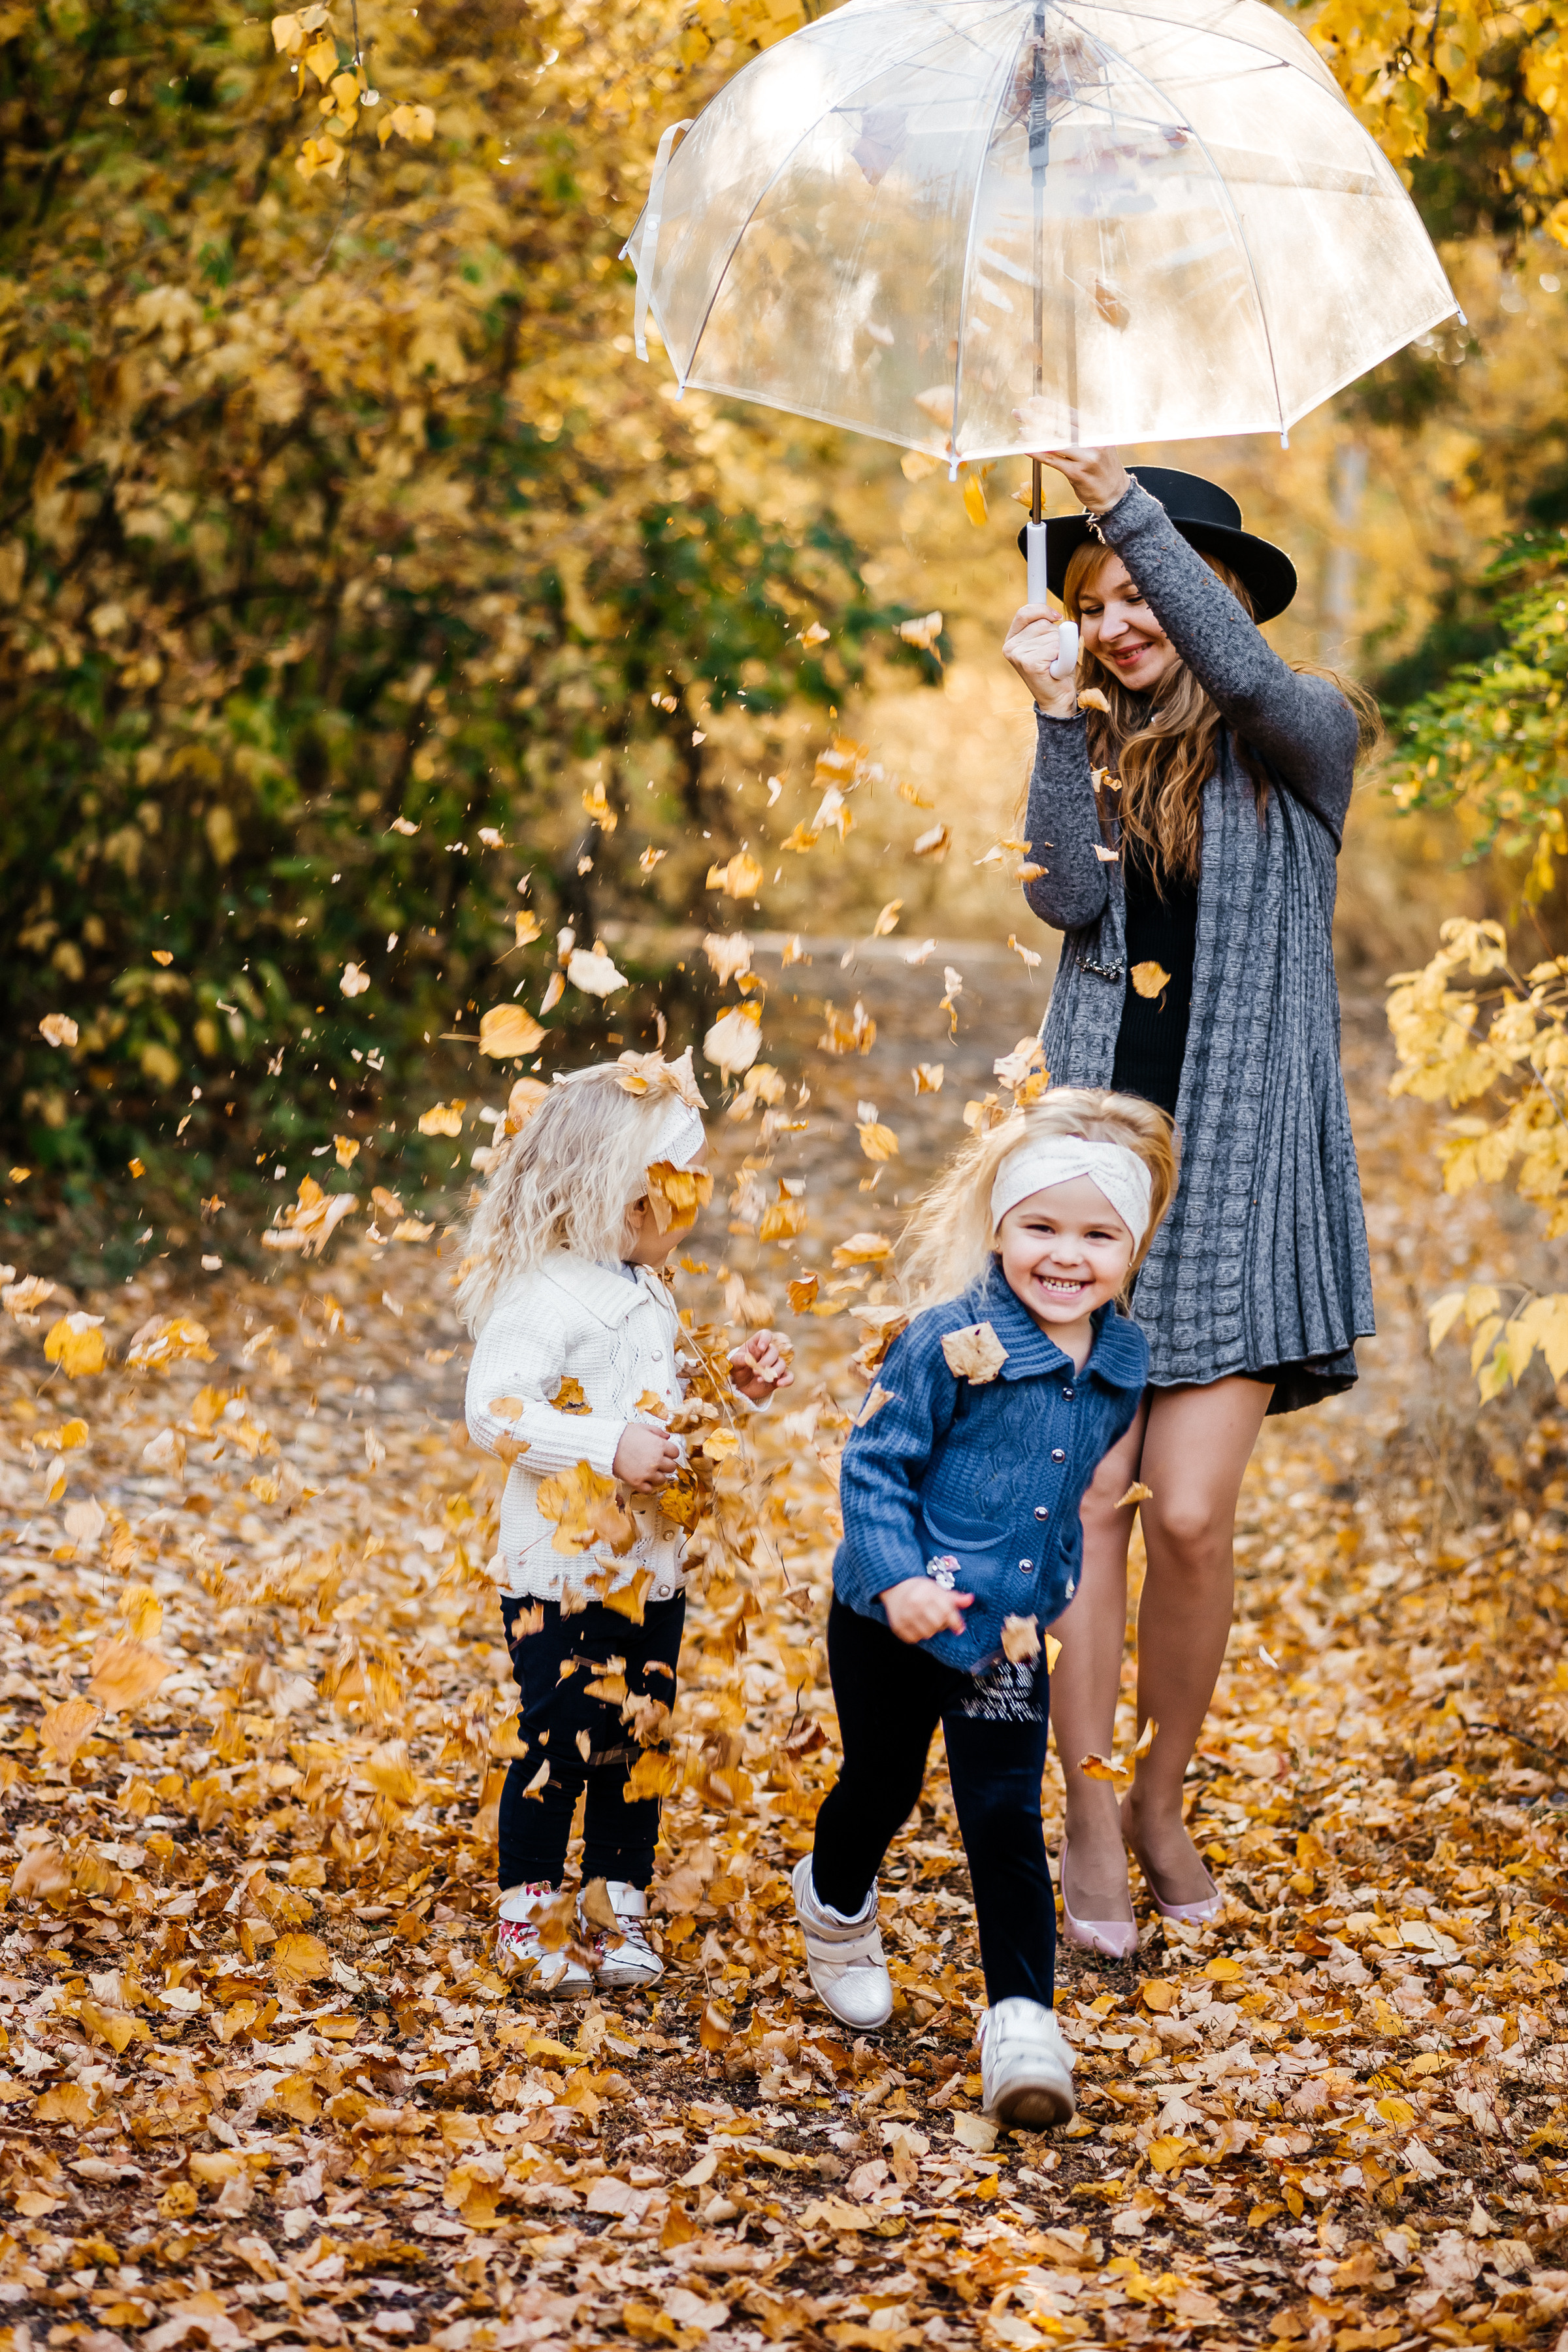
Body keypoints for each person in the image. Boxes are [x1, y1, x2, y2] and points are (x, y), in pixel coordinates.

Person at [1004, 449, 1375, 1957]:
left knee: (1198, 1517)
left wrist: (1125, 518)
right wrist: (1048, 716)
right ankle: (1089, 1814)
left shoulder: (1305, 737)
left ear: (1206, 589)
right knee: (1089, 1500)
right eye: (1092, 603)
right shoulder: (1098, 747)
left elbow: (1253, 682)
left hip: (1235, 1186)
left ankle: (1163, 1796)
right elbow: (1061, 899)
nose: (1117, 621)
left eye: (1140, 592)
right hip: (1099, 1184)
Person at [792, 1089, 1176, 2127]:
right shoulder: (946, 1339)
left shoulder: (1121, 1366)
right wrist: (898, 1578)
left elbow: (1067, 1496)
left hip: (1006, 1637)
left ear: (1132, 1248)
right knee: (881, 1784)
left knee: (1004, 1817)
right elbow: (873, 1464)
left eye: (1099, 1235)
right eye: (1040, 1227)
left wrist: (1047, 1595)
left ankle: (1022, 2024)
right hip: (890, 1619)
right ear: (1001, 1227)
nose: (1067, 1255)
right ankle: (833, 1905)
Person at [458, 1051, 790, 1996]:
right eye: (680, 1189)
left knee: (636, 1736)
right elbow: (496, 1412)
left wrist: (732, 1394)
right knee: (559, 1734)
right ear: (621, 1196)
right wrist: (605, 1446)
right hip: (559, 1572)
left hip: (652, 1569)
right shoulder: (542, 1294)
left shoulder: (648, 1290)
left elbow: (665, 1413)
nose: (696, 1208)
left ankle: (616, 1900)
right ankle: (529, 1911)